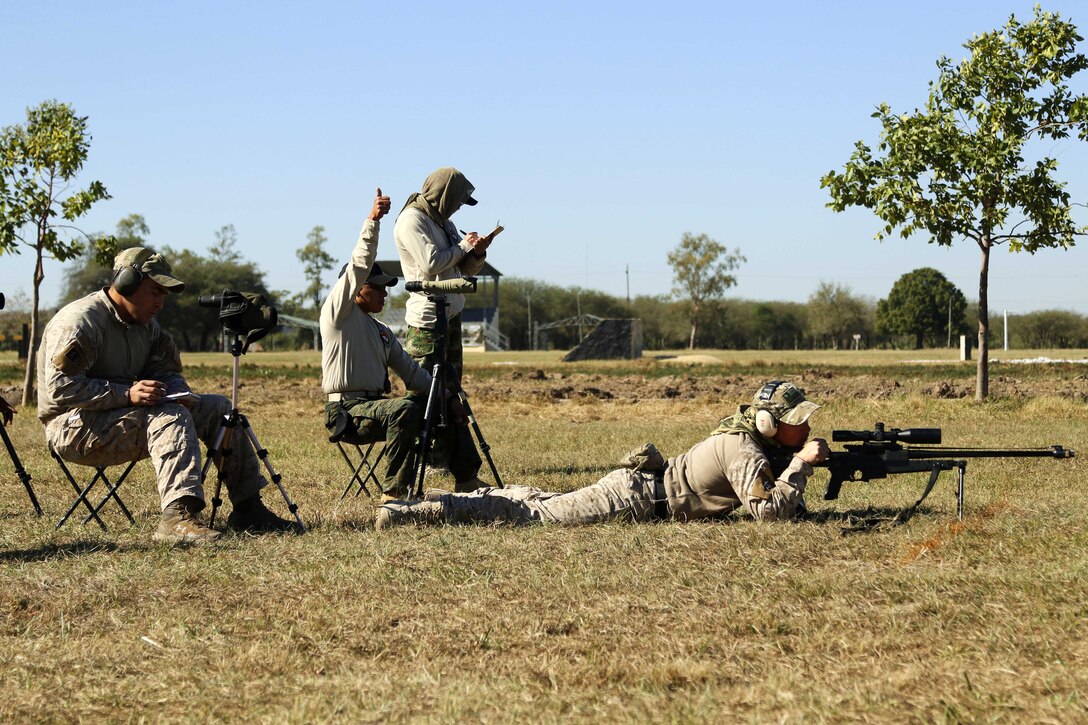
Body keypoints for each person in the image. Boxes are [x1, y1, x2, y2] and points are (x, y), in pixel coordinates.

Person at [37, 247, 298, 542]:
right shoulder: (81, 322)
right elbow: (62, 388)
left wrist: (178, 392)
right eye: (155, 292)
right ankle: (176, 519)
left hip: (121, 415)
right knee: (170, 416)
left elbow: (165, 372)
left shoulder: (147, 326)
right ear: (126, 283)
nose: (160, 302)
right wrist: (127, 394)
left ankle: (249, 508)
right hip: (71, 427)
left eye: (164, 294)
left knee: (220, 408)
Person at [375, 380, 830, 529]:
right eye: (798, 421)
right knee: (536, 517)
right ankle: (426, 510)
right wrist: (801, 464)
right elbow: (769, 513)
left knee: (537, 501)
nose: (806, 427)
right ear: (770, 423)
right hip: (636, 499)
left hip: (640, 491)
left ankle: (427, 501)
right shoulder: (743, 447)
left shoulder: (752, 441)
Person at [321, 188, 483, 499]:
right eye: (377, 288)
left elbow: (414, 374)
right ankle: (395, 496)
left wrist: (448, 398)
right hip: (346, 411)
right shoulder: (338, 315)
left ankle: (467, 481)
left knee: (438, 400)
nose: (384, 294)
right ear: (356, 289)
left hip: (374, 407)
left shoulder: (381, 332)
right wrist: (372, 222)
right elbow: (358, 265)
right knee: (405, 410)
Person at [393, 167, 491, 384]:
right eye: (457, 201)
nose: (458, 208)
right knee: (422, 391)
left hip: (451, 313)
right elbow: (431, 263)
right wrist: (464, 246)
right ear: (445, 195)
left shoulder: (444, 223)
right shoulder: (412, 220)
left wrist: (477, 253)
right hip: (427, 320)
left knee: (451, 388)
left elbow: (463, 270)